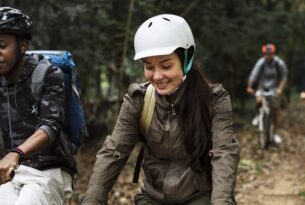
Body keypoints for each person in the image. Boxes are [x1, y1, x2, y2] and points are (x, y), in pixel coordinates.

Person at [81, 14, 240, 205]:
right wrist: (92, 199)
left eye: (166, 65)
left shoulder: (214, 100)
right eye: (149, 67)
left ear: (187, 59)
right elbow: (114, 151)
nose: (157, 76)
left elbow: (224, 155)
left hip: (200, 197)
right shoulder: (137, 100)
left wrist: (221, 201)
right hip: (153, 198)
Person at [0, 7, 77, 205]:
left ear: (23, 45)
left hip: (49, 172)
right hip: (11, 175)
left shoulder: (47, 74)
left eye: (1, 46)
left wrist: (16, 154)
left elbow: (51, 125)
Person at [246, 43, 288, 143]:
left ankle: (274, 133)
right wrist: (249, 87)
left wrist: (280, 89)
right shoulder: (260, 63)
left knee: (276, 112)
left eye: (270, 54)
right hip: (262, 87)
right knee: (259, 100)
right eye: (266, 54)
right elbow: (253, 75)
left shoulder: (279, 63)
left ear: (273, 54)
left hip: (274, 89)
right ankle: (259, 114)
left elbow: (284, 77)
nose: (268, 56)